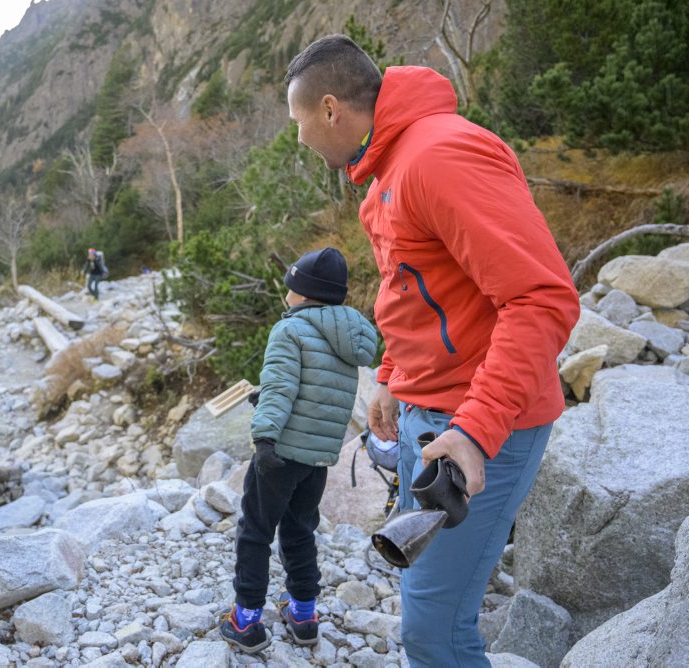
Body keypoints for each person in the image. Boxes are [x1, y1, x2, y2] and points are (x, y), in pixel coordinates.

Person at [284, 36, 580, 666]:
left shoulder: (439, 156)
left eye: (298, 121)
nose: (299, 138)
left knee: (433, 632)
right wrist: (394, 372)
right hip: (435, 413)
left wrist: (476, 431)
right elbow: (419, 289)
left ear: (330, 109)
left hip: (481, 423)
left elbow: (542, 299)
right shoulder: (391, 168)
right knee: (423, 598)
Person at [218, 248, 378, 653]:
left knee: (255, 531)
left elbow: (281, 388)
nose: (286, 293)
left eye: (291, 286)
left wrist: (265, 438)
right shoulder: (349, 337)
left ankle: (246, 621)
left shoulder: (289, 330)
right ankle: (304, 617)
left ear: (304, 294)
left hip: (280, 453)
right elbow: (317, 393)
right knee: (299, 531)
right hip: (317, 459)